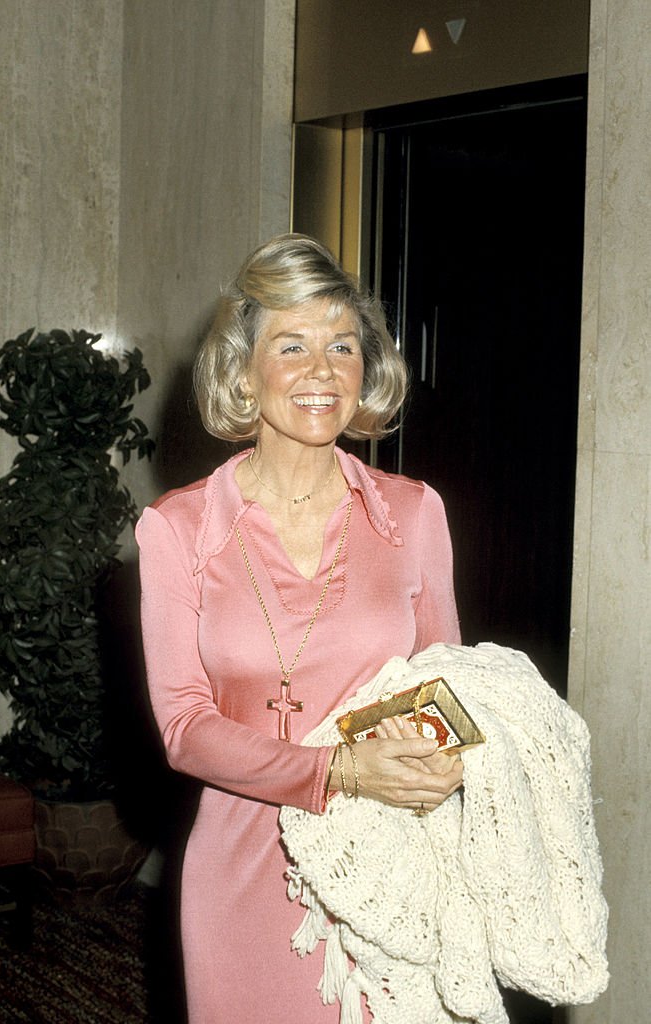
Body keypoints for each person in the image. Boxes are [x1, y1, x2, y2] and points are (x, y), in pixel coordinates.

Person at [136, 233, 464, 1023]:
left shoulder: (413, 514)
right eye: (292, 345)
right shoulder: (177, 529)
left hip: (385, 872)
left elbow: (449, 694)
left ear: (366, 369)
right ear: (244, 372)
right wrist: (337, 772)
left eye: (342, 346)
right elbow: (184, 728)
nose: (322, 371)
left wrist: (441, 766)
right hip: (242, 878)